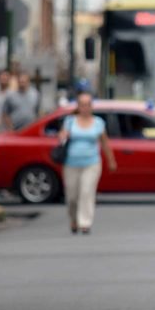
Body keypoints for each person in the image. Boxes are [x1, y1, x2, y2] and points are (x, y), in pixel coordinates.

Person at [59, 92, 117, 234]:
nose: (85, 108)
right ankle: (73, 219)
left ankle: (85, 222)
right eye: (82, 105)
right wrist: (63, 136)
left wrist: (111, 160)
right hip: (71, 163)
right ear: (78, 106)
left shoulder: (98, 122)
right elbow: (61, 136)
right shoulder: (70, 121)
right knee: (72, 196)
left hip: (91, 162)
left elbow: (104, 142)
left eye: (88, 105)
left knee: (86, 192)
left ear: (91, 106)